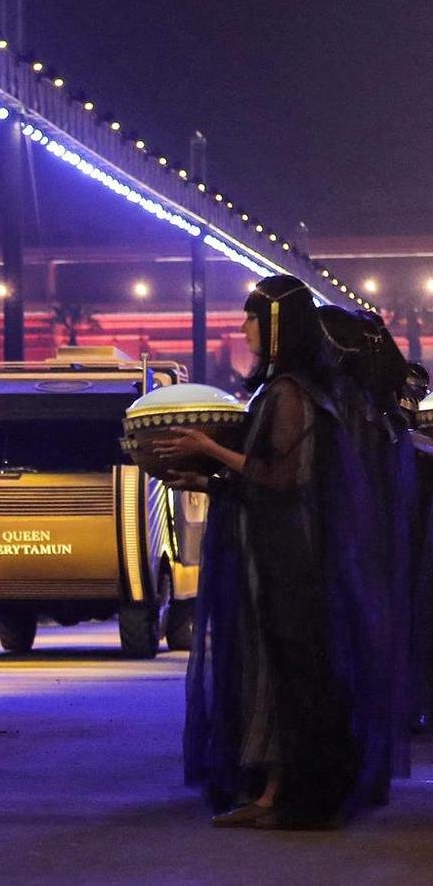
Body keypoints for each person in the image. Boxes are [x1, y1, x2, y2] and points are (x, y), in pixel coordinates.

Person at [152, 275, 404, 829]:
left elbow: (285, 476)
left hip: (292, 560)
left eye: (251, 318)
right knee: (274, 670)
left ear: (276, 325)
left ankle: (300, 799)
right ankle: (271, 792)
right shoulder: (286, 388)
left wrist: (208, 448)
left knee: (296, 670)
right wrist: (203, 480)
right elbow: (261, 479)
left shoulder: (291, 392)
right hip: (277, 554)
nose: (241, 328)